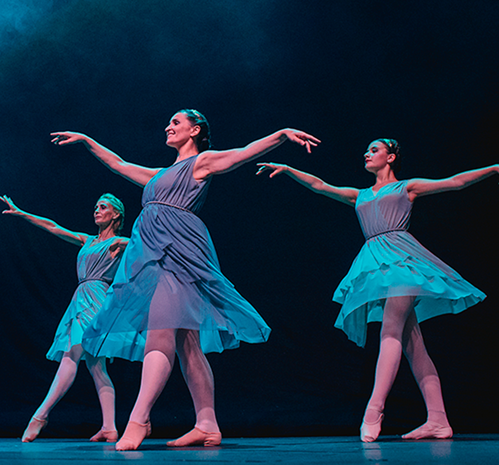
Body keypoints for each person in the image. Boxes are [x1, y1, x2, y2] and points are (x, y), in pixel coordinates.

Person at [50, 110, 319, 450]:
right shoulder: (161, 174)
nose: (168, 126)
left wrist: (281, 134)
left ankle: (139, 419)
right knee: (186, 341)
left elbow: (241, 153)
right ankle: (207, 424)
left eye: (176, 123)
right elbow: (119, 164)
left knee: (160, 331)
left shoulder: (201, 162)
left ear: (195, 130)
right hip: (151, 251)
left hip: (177, 249)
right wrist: (88, 142)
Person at [257, 138, 499, 442]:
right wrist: (289, 168)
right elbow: (320, 185)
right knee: (414, 346)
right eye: (367, 150)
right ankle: (438, 419)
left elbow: (453, 182)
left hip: (402, 261)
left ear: (391, 157)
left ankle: (375, 408)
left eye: (374, 150)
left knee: (390, 331)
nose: (367, 153)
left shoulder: (406, 188)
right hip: (376, 262)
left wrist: (492, 168)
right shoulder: (359, 195)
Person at [0, 193, 129, 443]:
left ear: (116, 215)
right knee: (96, 366)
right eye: (95, 206)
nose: (97, 210)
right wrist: (22, 213)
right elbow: (53, 227)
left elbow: (143, 244)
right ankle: (110, 427)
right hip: (81, 297)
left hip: (97, 299)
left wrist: (128, 245)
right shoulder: (87, 240)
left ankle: (40, 415)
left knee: (71, 356)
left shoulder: (119, 242)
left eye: (103, 207)